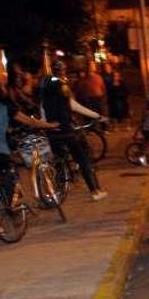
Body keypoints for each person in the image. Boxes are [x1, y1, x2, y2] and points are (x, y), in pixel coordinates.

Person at [0, 81, 58, 237]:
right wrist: (49, 125)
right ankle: (14, 213)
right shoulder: (6, 108)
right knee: (10, 181)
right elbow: (29, 121)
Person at [38, 60, 108, 201]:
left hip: (51, 130)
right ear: (63, 71)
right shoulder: (62, 86)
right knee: (83, 159)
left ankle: (57, 191)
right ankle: (95, 191)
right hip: (65, 129)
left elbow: (42, 108)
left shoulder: (45, 86)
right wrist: (97, 116)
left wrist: (46, 124)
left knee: (58, 159)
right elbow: (74, 106)